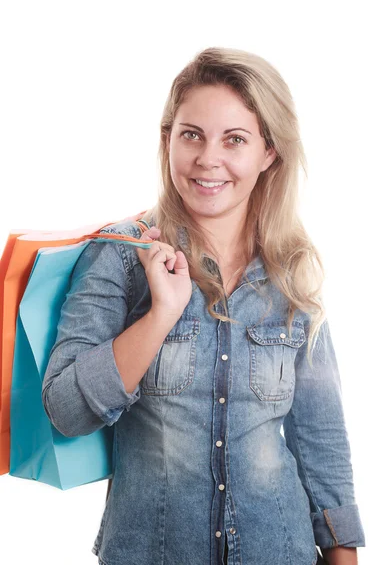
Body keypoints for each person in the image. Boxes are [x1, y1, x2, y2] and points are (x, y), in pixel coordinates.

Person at [42, 47, 366, 565]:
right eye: (191, 134)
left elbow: (320, 440)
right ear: (167, 139)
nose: (207, 158)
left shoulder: (291, 271)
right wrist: (160, 316)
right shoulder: (121, 256)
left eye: (234, 140)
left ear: (268, 153)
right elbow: (66, 410)